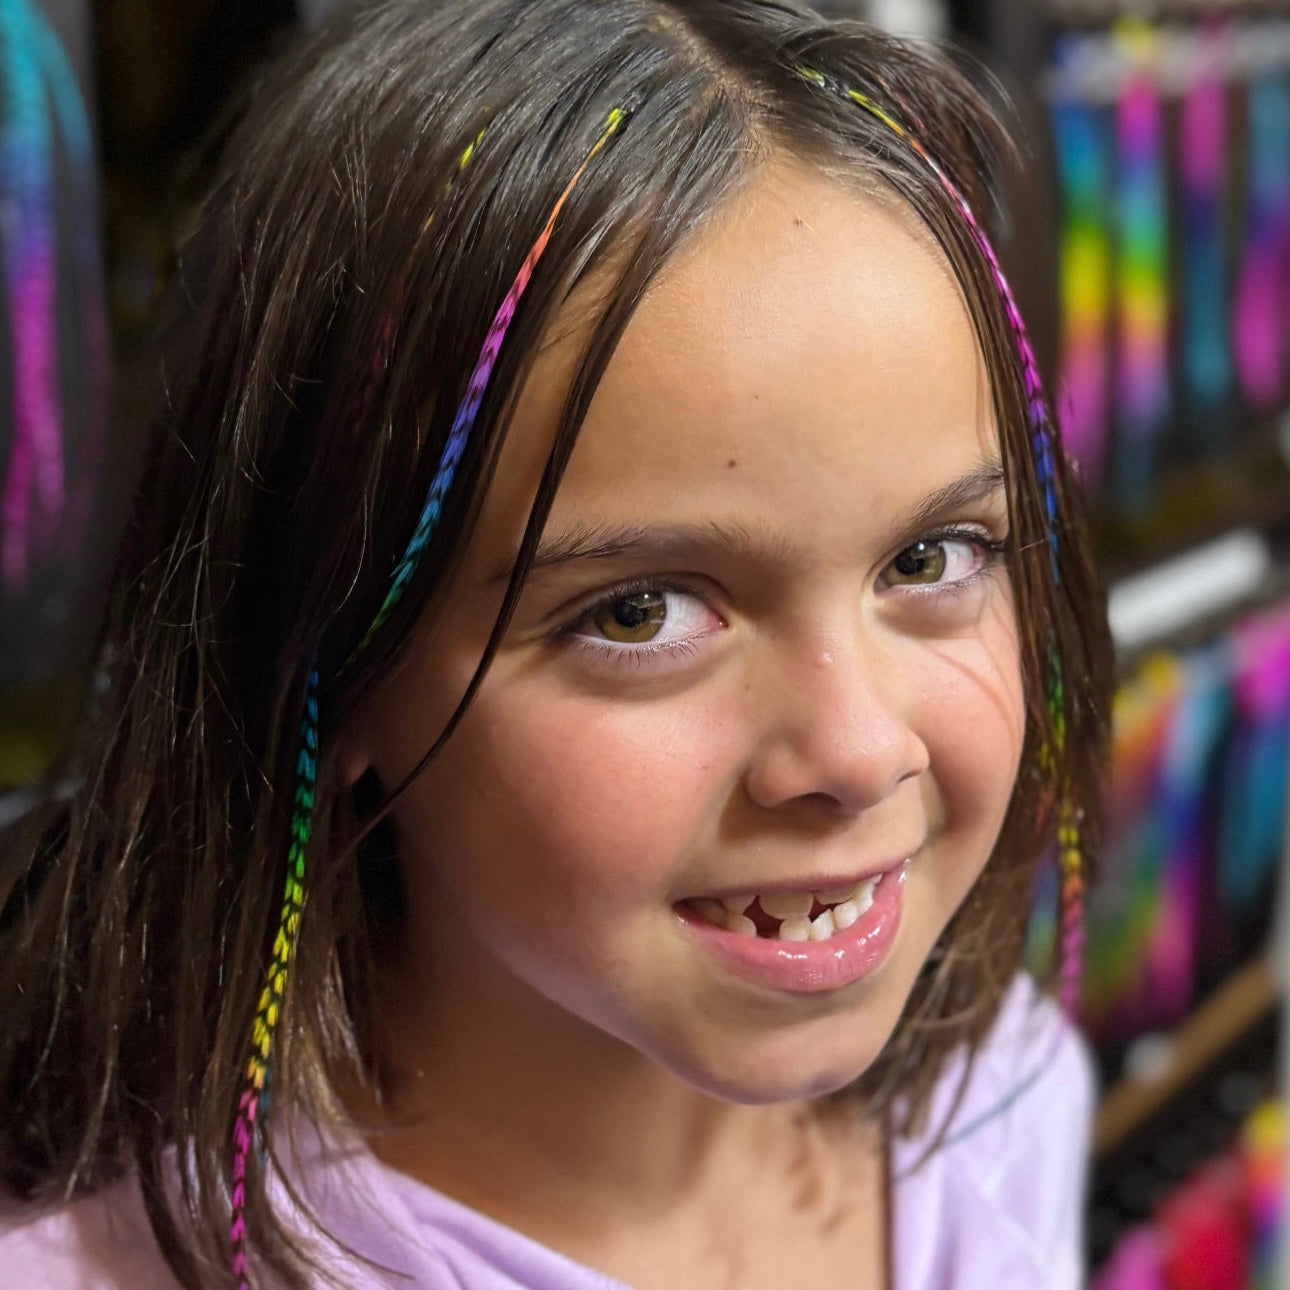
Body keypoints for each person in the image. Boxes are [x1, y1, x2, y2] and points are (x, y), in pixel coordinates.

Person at [0, 1, 1113, 1286]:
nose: (857, 754)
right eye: (640, 612)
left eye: (931, 559)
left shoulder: (1003, 1098)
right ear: (335, 657)